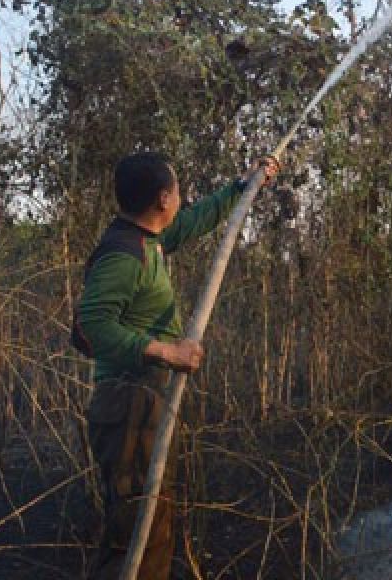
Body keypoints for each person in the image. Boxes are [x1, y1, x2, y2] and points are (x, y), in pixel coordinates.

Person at [75, 152, 279, 579]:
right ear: (163, 199)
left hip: (140, 402)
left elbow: (191, 222)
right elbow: (92, 326)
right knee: (137, 531)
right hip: (126, 404)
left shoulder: (146, 239)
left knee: (147, 524)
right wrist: (166, 352)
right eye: (179, 191)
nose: (183, 200)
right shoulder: (125, 255)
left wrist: (243, 187)